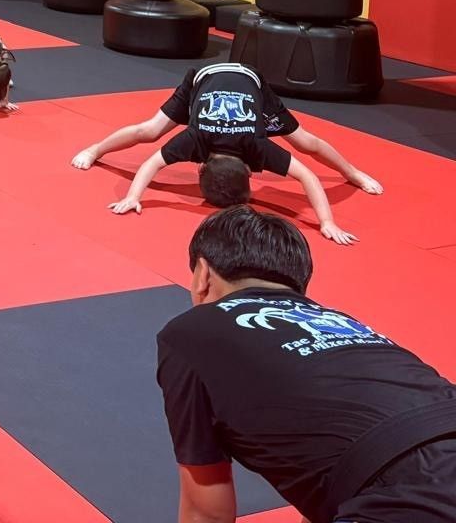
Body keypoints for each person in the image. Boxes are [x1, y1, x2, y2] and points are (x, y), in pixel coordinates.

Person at [156, 206, 456, 522]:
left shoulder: (190, 331)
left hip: (412, 495)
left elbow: (207, 511)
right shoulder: (343, 321)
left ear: (203, 274)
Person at [70, 61, 380, 245]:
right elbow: (307, 176)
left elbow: (152, 163)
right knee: (150, 130)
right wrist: (133, 196)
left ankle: (352, 172)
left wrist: (328, 222)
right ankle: (95, 149)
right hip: (203, 79)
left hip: (250, 81)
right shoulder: (208, 139)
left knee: (303, 141)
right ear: (249, 170)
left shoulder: (224, 142)